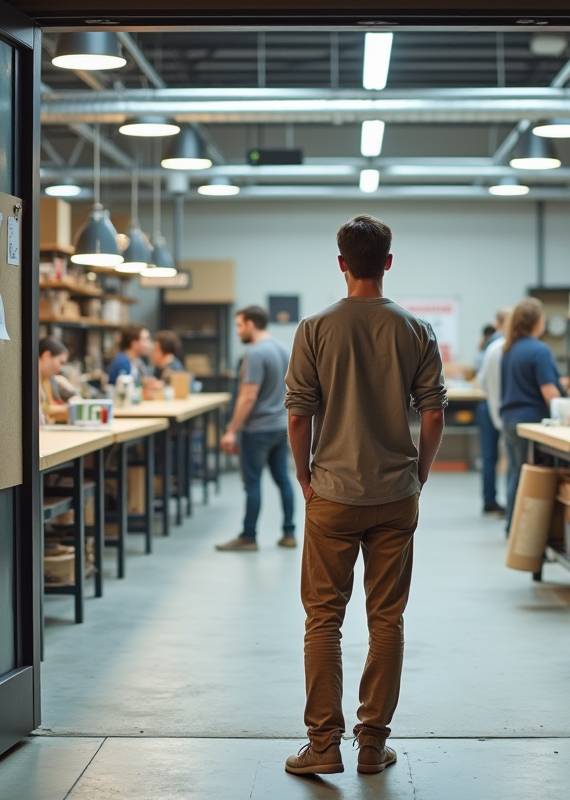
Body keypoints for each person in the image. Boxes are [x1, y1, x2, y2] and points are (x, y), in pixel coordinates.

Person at [282, 215, 446, 777]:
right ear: (388, 263)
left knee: (323, 620)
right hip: (396, 493)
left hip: (332, 493)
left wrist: (305, 477)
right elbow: (433, 414)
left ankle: (323, 745)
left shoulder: (314, 329)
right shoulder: (417, 330)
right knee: (387, 619)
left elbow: (299, 415)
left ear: (342, 264)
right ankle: (372, 745)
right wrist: (419, 473)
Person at [215, 305, 296, 551]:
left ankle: (248, 537)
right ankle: (289, 533)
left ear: (251, 324)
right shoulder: (283, 348)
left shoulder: (255, 353)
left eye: (239, 325)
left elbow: (248, 396)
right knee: (283, 479)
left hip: (257, 429)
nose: (238, 331)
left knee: (252, 483)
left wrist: (232, 430)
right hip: (280, 427)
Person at [499, 297, 563, 533]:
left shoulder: (509, 348)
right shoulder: (539, 350)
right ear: (538, 321)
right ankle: (524, 531)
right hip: (531, 422)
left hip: (510, 419)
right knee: (530, 476)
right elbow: (549, 392)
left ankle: (512, 525)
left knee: (516, 473)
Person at [475, 308, 510, 516]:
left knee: (489, 456)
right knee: (511, 456)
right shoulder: (506, 345)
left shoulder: (488, 345)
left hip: (487, 404)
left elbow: (481, 380)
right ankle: (511, 504)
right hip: (505, 406)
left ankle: (489, 500)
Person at [38, 336, 71, 424]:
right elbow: (44, 410)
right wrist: (71, 408)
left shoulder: (48, 380)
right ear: (47, 355)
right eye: (61, 362)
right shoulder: (31, 380)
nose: (61, 368)